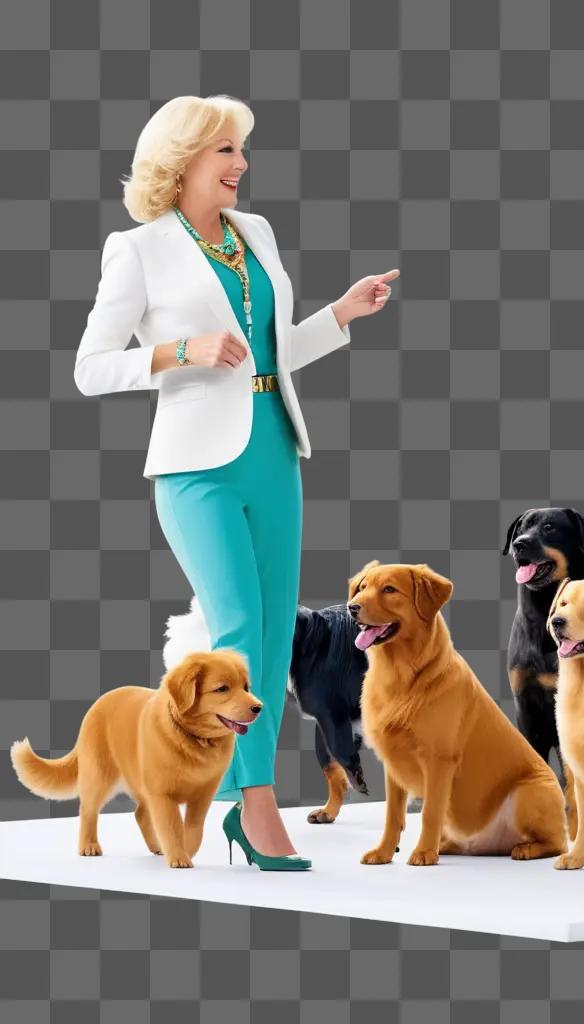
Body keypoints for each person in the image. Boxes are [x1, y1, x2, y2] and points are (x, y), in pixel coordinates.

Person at [74, 94, 399, 870]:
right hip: (195, 468)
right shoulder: (139, 248)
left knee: (276, 634)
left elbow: (270, 353)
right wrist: (178, 351)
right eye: (225, 150)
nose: (241, 164)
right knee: (237, 633)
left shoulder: (256, 234)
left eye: (241, 149)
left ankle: (235, 801)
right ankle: (251, 808)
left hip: (274, 449)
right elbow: (90, 369)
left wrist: (342, 315)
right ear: (182, 159)